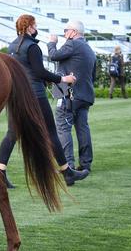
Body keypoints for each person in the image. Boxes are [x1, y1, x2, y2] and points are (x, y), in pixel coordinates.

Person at [0, 15, 89, 187]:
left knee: (12, 133)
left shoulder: (11, 46)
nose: (36, 27)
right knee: (51, 133)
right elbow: (40, 72)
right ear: (30, 27)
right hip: (35, 95)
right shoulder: (32, 47)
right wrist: (64, 79)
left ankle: (0, 172)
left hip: (16, 95)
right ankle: (67, 173)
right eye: (35, 25)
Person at [48, 21, 97, 172]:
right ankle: (86, 164)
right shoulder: (89, 49)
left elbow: (53, 56)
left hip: (68, 94)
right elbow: (92, 76)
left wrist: (52, 43)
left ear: (73, 32)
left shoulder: (72, 44)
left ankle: (68, 165)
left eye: (66, 30)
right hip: (85, 95)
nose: (64, 34)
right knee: (83, 129)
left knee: (63, 128)